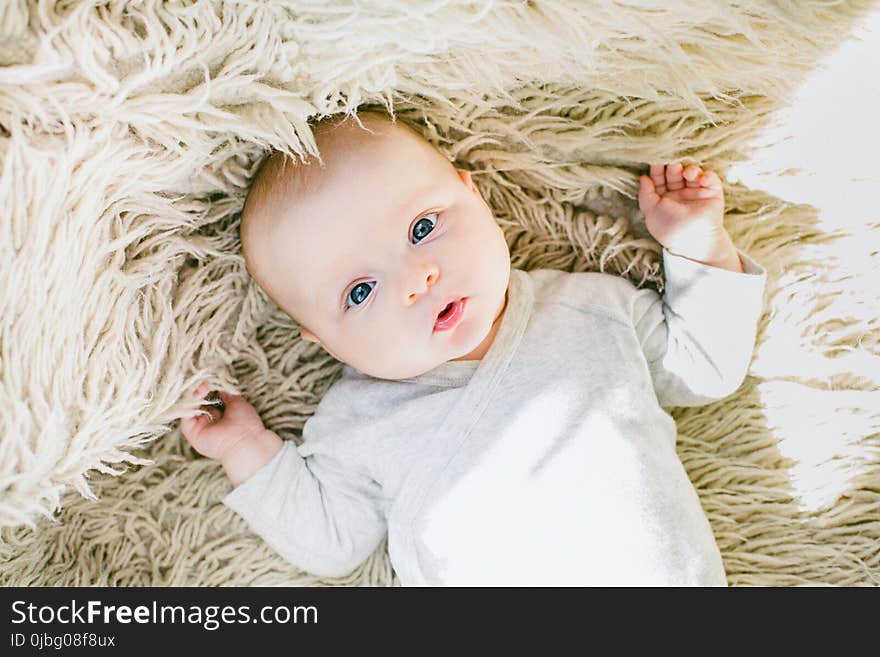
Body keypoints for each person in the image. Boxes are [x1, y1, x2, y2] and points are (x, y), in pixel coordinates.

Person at [179, 111, 766, 585]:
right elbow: (332, 540)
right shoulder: (357, 423)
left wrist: (698, 249)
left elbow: (702, 368)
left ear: (475, 195)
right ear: (325, 342)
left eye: (423, 228)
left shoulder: (591, 310)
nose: (418, 278)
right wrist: (245, 448)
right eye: (360, 291)